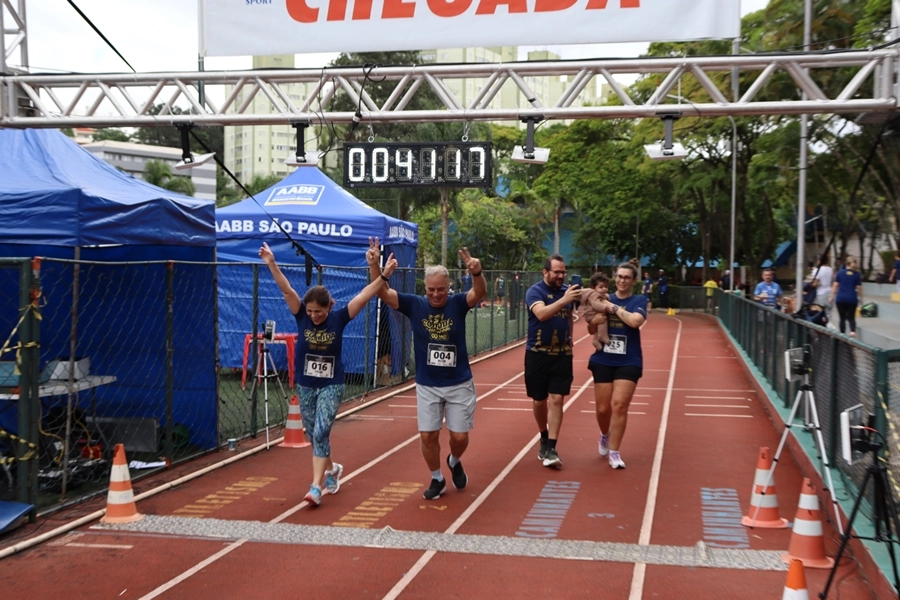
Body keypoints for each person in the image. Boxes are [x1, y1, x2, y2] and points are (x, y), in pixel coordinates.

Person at [259, 241, 397, 507]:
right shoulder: (301, 316)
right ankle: (332, 470)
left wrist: (384, 273)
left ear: (328, 308)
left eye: (318, 312)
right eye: (310, 312)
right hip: (306, 384)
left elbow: (365, 294)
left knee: (321, 432)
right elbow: (286, 288)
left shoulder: (339, 318)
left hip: (332, 383)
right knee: (315, 435)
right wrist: (271, 263)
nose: (314, 316)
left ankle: (315, 487)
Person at [367, 237, 485, 500]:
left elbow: (479, 293)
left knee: (459, 436)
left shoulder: (457, 304)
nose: (435, 294)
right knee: (428, 435)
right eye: (431, 290)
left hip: (458, 382)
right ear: (425, 288)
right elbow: (383, 293)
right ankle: (437, 478)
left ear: (448, 287)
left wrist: (476, 272)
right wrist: (375, 266)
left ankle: (454, 460)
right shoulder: (415, 304)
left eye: (440, 289)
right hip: (428, 384)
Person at [588, 262, 648, 469]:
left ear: (634, 281)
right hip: (603, 358)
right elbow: (590, 328)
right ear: (615, 278)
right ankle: (605, 435)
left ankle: (614, 452)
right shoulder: (602, 296)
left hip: (629, 360)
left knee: (619, 405)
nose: (622, 280)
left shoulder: (638, 300)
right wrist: (594, 320)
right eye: (620, 277)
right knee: (603, 409)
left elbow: (634, 322)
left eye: (627, 277)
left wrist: (613, 308)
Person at [525, 254, 581, 468]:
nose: (561, 275)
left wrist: (571, 336)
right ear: (545, 272)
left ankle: (552, 446)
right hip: (537, 354)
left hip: (562, 354)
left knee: (557, 399)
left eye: (563, 272)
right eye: (557, 272)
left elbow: (569, 316)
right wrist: (565, 300)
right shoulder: (535, 292)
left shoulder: (568, 291)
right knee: (539, 400)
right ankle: (543, 434)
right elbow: (541, 314)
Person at [830, 255, 863, 337]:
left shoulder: (840, 272)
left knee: (842, 318)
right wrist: (861, 298)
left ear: (846, 263)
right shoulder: (857, 274)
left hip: (840, 298)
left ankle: (842, 335)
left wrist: (831, 296)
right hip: (852, 298)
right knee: (851, 317)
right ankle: (852, 331)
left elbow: (835, 285)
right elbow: (859, 287)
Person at [580, 272, 611, 351]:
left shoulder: (600, 294)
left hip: (593, 314)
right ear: (593, 288)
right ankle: (602, 336)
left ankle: (596, 340)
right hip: (591, 314)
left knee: (599, 323)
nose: (604, 289)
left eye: (606, 287)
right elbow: (596, 304)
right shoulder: (593, 294)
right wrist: (606, 308)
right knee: (602, 319)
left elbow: (604, 297)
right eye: (601, 287)